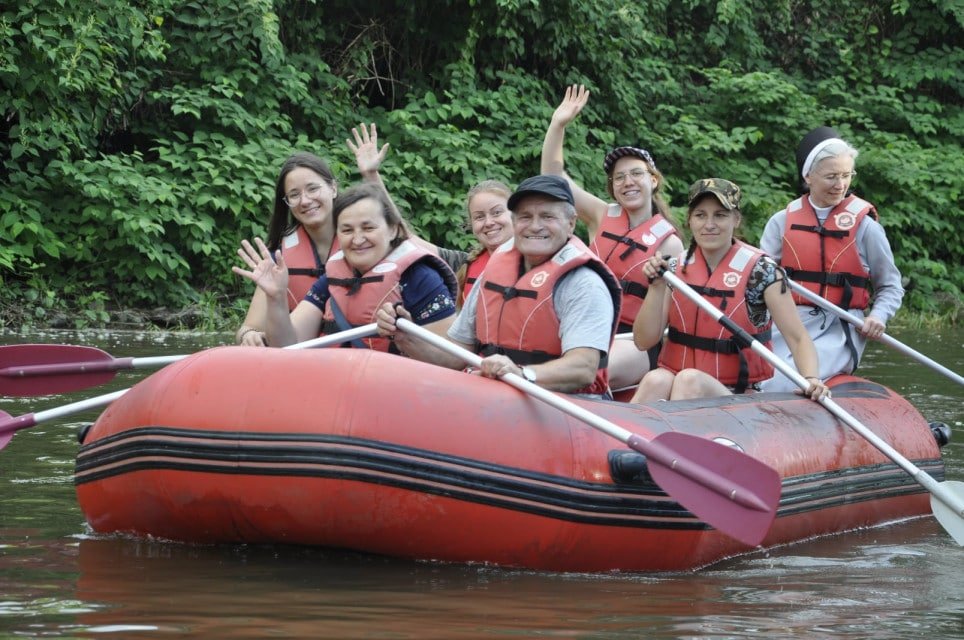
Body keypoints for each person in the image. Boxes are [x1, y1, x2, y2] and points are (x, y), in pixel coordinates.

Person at [375, 175, 621, 398]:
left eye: (547, 216)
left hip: (566, 407)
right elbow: (454, 355)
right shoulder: (493, 270)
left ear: (570, 223)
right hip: (498, 399)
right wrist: (404, 336)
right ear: (515, 222)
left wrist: (522, 374)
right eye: (525, 217)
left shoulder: (584, 282)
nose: (535, 226)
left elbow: (584, 367)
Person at [630, 179, 831, 403]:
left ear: (736, 219)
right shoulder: (673, 270)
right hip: (679, 383)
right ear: (690, 221)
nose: (709, 224)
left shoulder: (762, 272)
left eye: (720, 215)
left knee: (689, 380)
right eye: (700, 215)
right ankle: (626, 436)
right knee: (655, 379)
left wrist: (811, 378)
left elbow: (798, 337)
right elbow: (643, 342)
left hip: (738, 395)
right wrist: (656, 287)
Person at [541, 84, 684, 389]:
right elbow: (554, 177)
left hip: (633, 341)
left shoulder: (670, 243)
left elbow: (667, 316)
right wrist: (558, 124)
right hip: (585, 324)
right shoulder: (600, 215)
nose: (627, 182)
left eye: (636, 174)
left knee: (587, 370)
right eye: (619, 177)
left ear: (653, 180)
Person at [759, 127, 904, 392]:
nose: (840, 185)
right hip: (789, 320)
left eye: (846, 176)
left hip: (841, 326)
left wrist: (879, 315)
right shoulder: (781, 222)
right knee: (755, 374)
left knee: (783, 381)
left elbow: (891, 286)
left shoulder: (865, 228)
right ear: (808, 176)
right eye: (831, 176)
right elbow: (757, 281)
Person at [233, 182, 458, 351]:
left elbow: (453, 359)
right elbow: (286, 345)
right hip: (336, 389)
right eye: (347, 230)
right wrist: (277, 298)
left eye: (368, 228)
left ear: (393, 230)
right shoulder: (331, 279)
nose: (357, 239)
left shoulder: (420, 277)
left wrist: (406, 337)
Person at [235, 124, 389, 346]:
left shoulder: (364, 243)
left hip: (360, 358)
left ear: (333, 189)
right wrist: (248, 335)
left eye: (313, 189)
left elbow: (401, 237)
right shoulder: (279, 258)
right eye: (294, 195)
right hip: (300, 355)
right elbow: (249, 327)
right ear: (287, 203)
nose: (305, 201)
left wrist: (371, 175)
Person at [454, 180, 515, 306]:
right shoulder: (466, 267)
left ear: (515, 214)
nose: (488, 222)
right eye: (479, 217)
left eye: (497, 212)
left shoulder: (536, 262)